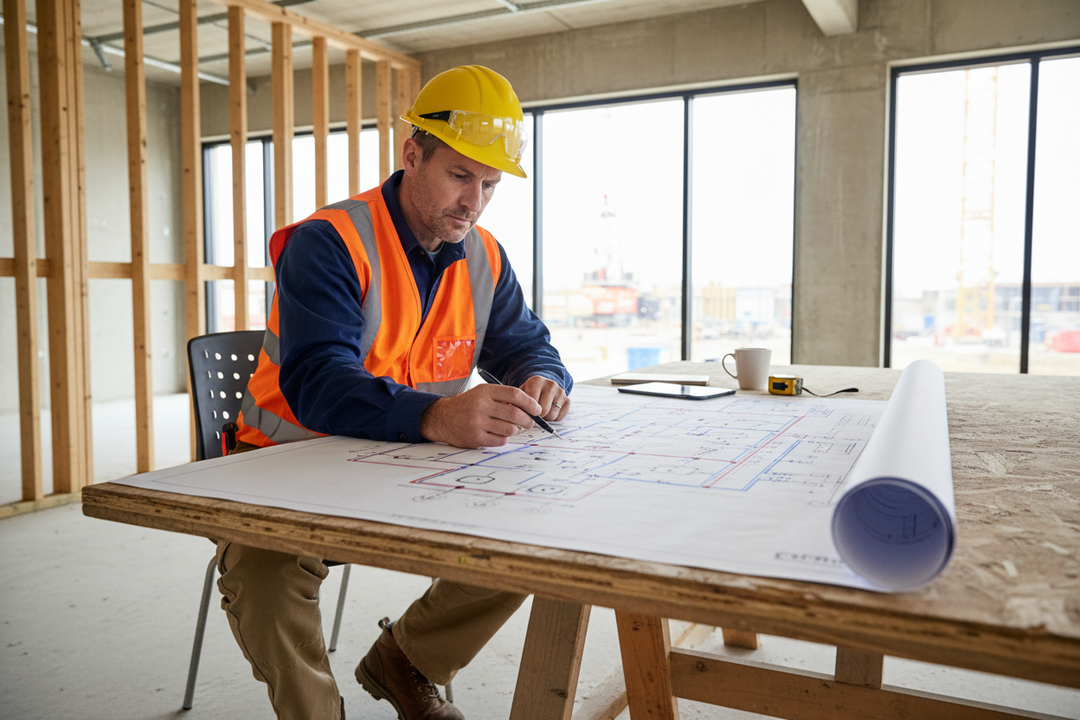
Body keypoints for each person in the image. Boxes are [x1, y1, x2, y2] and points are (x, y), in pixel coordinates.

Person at [216, 65, 573, 720]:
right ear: (413, 155)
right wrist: (438, 415)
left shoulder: (485, 256)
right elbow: (318, 381)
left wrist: (542, 379)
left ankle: (407, 663)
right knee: (264, 579)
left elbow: (526, 346)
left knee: (537, 539)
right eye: (461, 176)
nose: (475, 200)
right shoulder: (329, 243)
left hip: (404, 465)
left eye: (490, 184)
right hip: (284, 468)